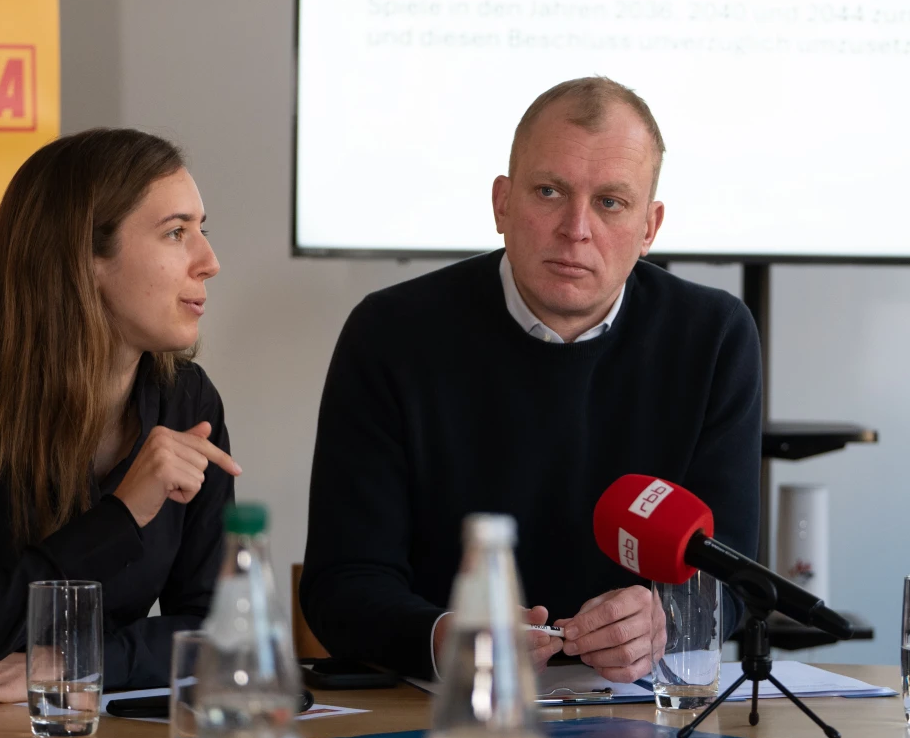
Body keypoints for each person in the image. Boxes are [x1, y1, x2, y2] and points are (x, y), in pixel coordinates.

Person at [301, 77, 763, 684]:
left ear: (649, 228)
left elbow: (734, 575)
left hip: (641, 708)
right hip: (441, 706)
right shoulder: (390, 333)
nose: (576, 228)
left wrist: (665, 619)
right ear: (502, 203)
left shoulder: (714, 336)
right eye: (549, 191)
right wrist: (448, 637)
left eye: (610, 203)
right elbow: (341, 584)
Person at [0, 129, 239, 718]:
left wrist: (78, 662)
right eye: (176, 233)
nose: (208, 262)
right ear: (84, 256)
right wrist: (120, 517)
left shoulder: (188, 402)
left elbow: (221, 636)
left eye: (202, 230)